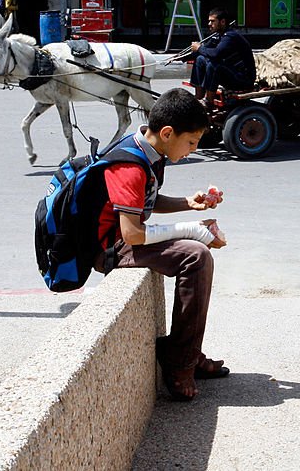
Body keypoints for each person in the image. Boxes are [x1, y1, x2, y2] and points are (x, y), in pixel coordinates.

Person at [92, 88, 228, 401]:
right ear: (168, 133)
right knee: (196, 256)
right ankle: (180, 362)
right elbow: (133, 235)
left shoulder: (152, 151)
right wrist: (194, 230)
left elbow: (143, 203)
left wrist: (187, 203)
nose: (193, 150)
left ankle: (186, 351)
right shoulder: (129, 166)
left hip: (125, 237)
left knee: (196, 251)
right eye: (191, 142)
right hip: (111, 248)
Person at [188, 8, 255, 107]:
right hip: (232, 74)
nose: (209, 24)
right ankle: (198, 97)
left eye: (212, 21)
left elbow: (215, 54)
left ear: (222, 22)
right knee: (200, 59)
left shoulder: (230, 36)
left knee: (214, 64)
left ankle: (208, 102)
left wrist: (199, 48)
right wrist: (181, 57)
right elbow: (205, 50)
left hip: (243, 79)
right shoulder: (218, 35)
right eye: (209, 21)